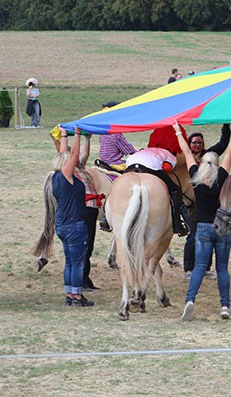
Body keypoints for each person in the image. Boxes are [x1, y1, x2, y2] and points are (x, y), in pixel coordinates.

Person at [175, 121, 231, 322]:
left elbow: (187, 154)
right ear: (216, 164)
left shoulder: (196, 178)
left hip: (204, 228)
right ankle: (225, 306)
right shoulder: (222, 176)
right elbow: (230, 152)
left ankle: (190, 300)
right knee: (222, 268)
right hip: (223, 228)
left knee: (199, 266)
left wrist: (177, 131)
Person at [51, 126, 94, 307]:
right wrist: (76, 135)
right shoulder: (66, 176)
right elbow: (74, 155)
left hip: (62, 224)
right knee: (77, 263)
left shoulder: (56, 177)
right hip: (74, 225)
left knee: (69, 262)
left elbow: (65, 154)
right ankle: (77, 297)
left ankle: (70, 294)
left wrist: (63, 136)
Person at [183, 125, 231, 277]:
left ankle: (205, 268)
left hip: (207, 204)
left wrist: (226, 125)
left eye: (200, 143)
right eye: (194, 142)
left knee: (208, 232)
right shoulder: (183, 160)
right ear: (189, 144)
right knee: (193, 233)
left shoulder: (208, 157)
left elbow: (224, 144)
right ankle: (189, 268)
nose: (197, 145)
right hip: (189, 203)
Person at [97, 102, 138, 172]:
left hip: (104, 163)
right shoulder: (116, 134)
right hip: (114, 164)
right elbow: (129, 150)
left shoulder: (103, 134)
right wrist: (138, 153)